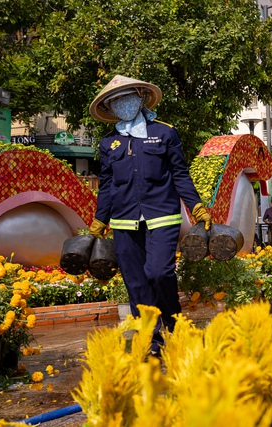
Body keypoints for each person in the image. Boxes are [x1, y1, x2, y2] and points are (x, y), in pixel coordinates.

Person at [87, 75, 211, 356]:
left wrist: (197, 206)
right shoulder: (109, 143)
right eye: (116, 101)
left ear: (142, 98)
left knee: (158, 272)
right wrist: (99, 220)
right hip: (123, 220)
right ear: (110, 107)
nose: (123, 104)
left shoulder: (165, 133)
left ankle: (173, 322)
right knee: (136, 282)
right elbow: (106, 185)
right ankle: (151, 341)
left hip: (162, 216)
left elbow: (180, 173)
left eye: (128, 97)